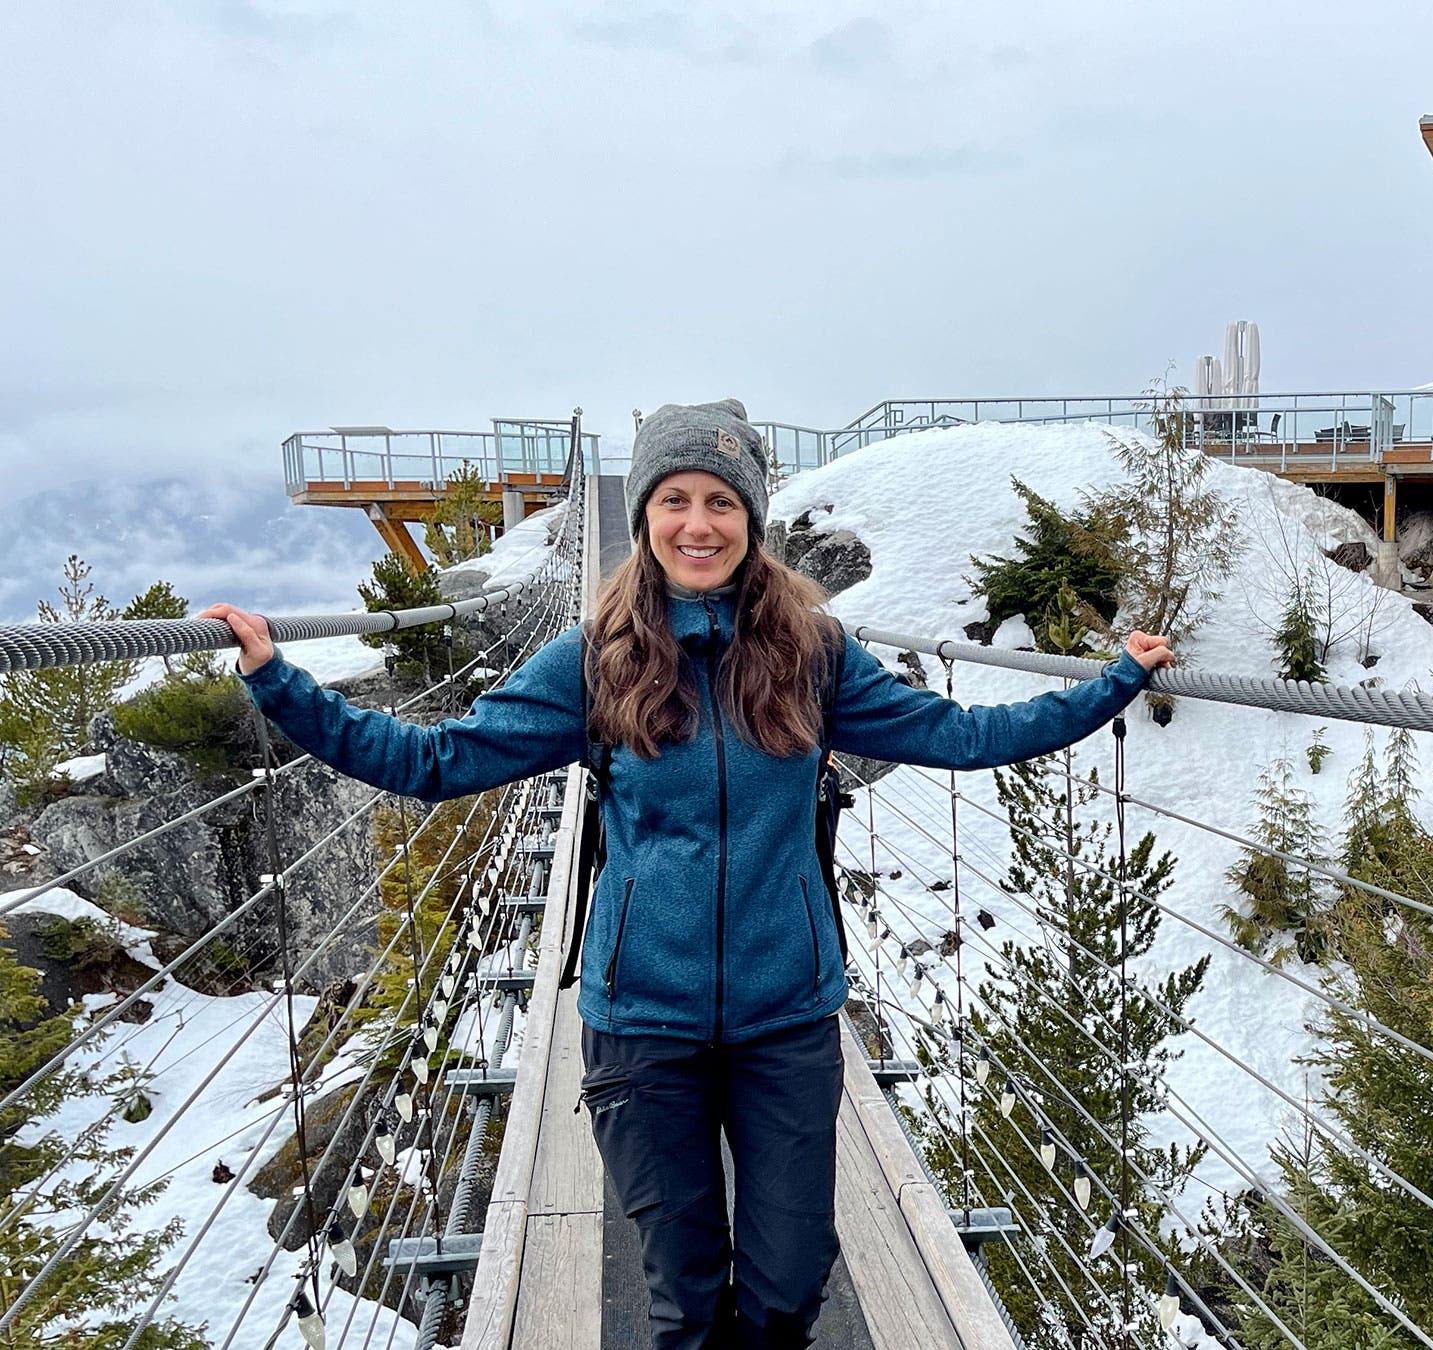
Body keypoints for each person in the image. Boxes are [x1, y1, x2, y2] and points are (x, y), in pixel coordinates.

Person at [205, 398, 1173, 1348]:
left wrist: (1111, 683)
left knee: (790, 1286)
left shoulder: (815, 655)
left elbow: (962, 736)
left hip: (785, 1017)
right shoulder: (592, 662)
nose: (698, 524)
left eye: (721, 501)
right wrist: (278, 682)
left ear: (752, 520)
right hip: (642, 1024)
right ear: (644, 518)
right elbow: (436, 763)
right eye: (675, 500)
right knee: (684, 1301)